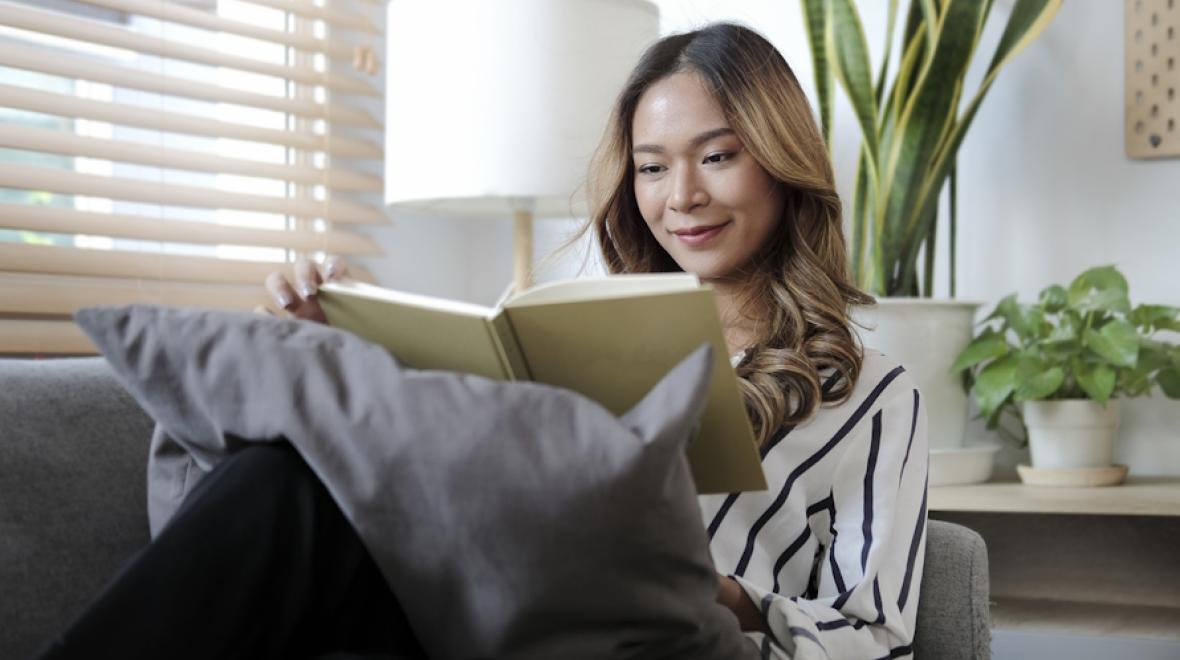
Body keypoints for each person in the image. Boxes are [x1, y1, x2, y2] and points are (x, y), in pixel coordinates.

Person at [38, 22, 926, 660]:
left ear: (781, 160)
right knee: (283, 479)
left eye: (718, 155)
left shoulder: (875, 395)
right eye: (652, 167)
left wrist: (735, 597)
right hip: (490, 609)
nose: (680, 195)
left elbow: (879, 629)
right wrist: (349, 338)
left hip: (657, 634)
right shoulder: (569, 327)